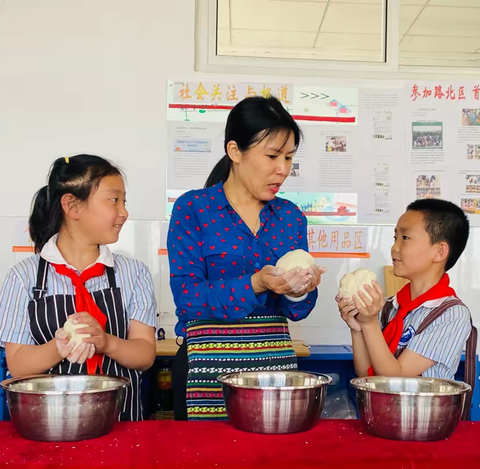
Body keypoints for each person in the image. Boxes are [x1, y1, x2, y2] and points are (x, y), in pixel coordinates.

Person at [168, 96, 325, 421]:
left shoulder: (289, 217)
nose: (283, 169)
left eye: (288, 157)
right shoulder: (194, 209)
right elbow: (188, 298)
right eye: (271, 156)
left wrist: (299, 289)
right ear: (235, 151)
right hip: (204, 367)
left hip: (274, 370)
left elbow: (296, 311)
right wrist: (255, 283)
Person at [0, 155, 157, 421]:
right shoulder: (23, 277)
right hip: (50, 427)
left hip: (121, 424)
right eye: (114, 200)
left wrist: (107, 342)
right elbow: (18, 365)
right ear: (72, 206)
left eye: (124, 201)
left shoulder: (133, 273)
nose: (124, 212)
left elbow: (144, 354)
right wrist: (59, 347)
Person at [336, 199, 475, 386]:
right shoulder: (390, 306)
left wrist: (369, 323)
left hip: (424, 414)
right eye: (395, 238)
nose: (394, 247)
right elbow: (365, 375)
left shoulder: (451, 314)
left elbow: (394, 380)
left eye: (405, 238)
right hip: (384, 411)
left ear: (439, 252)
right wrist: (358, 328)